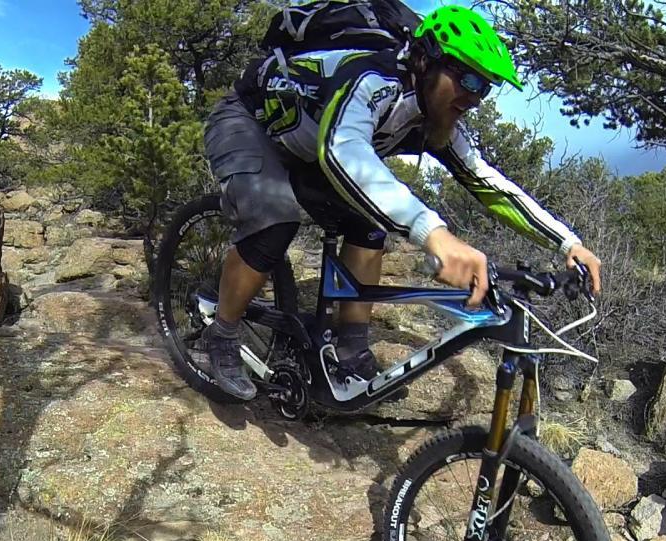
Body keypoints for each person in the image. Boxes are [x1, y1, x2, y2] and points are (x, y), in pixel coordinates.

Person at [201, 4, 603, 401]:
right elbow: (342, 150)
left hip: (307, 148)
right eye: (467, 79)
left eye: (485, 87)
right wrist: (433, 232)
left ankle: (351, 350)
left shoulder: (433, 115)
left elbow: (486, 181)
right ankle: (222, 332)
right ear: (427, 60)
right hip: (248, 121)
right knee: (274, 219)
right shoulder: (372, 78)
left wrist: (567, 243)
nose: (475, 97)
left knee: (369, 224)